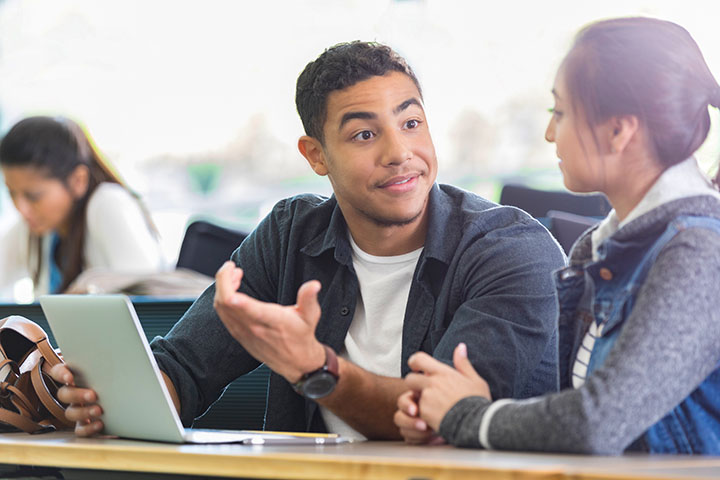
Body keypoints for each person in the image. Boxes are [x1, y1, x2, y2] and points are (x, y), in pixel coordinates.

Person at [52, 41, 565, 440]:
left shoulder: (509, 248)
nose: (399, 151)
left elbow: (440, 416)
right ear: (315, 155)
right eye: (364, 135)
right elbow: (183, 370)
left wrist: (317, 369)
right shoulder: (292, 234)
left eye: (411, 123)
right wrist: (107, 402)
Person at [394, 17, 720, 454]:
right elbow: (584, 415)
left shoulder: (699, 251)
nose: (550, 133)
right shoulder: (597, 249)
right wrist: (462, 414)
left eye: (560, 113)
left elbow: (594, 424)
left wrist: (470, 416)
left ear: (619, 130)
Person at [0, 116, 165, 298]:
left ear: (78, 180)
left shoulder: (108, 203)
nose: (21, 209)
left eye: (34, 196)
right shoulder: (35, 227)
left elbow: (147, 293)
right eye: (12, 193)